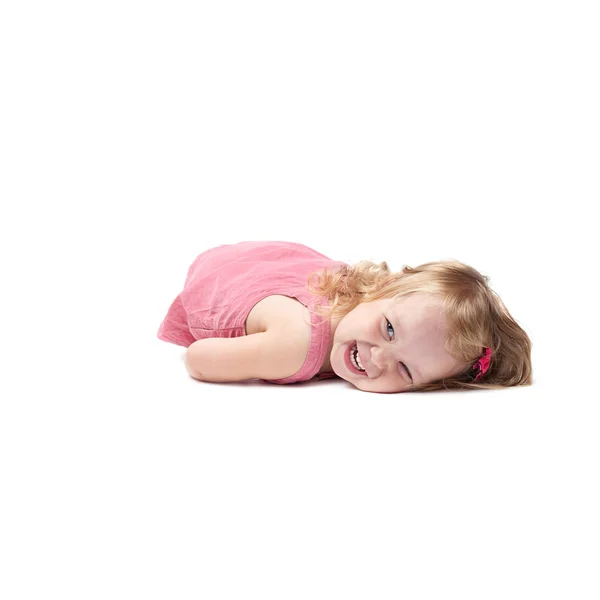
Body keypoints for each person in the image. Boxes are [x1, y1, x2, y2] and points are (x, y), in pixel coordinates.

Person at [157, 240, 532, 392]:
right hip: (220, 278)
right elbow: (198, 359)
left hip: (262, 260)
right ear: (383, 288)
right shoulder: (296, 344)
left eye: (405, 370)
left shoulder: (360, 300)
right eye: (388, 328)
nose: (377, 357)